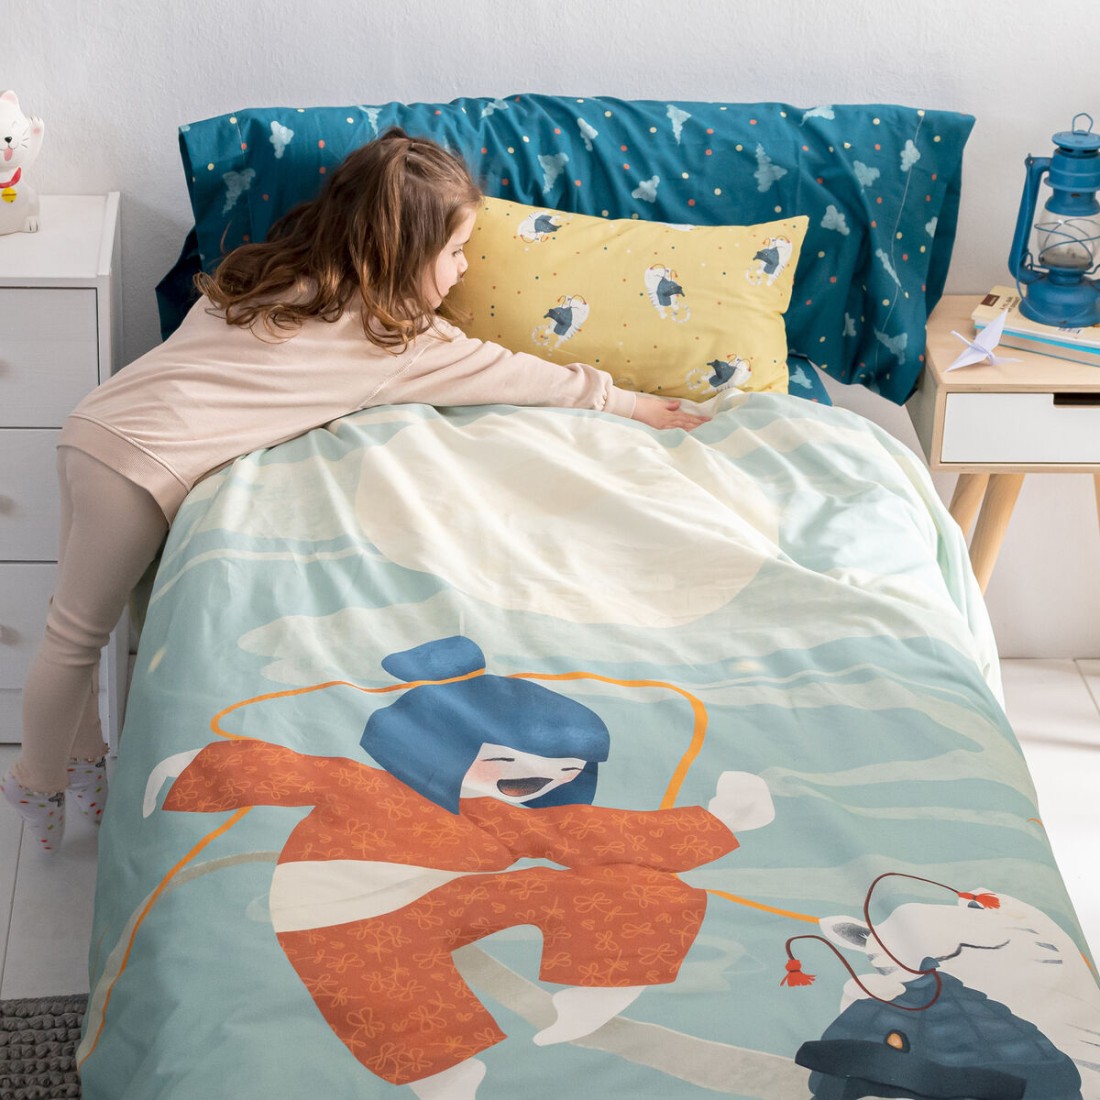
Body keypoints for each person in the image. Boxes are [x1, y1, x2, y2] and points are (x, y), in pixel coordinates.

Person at [1, 128, 709, 852]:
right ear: (405, 253)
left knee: (74, 627)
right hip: (137, 464)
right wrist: (627, 403)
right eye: (455, 251)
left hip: (92, 426)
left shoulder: (269, 278)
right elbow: (519, 374)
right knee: (77, 636)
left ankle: (79, 765)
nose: (466, 268)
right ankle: (33, 780)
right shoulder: (391, 344)